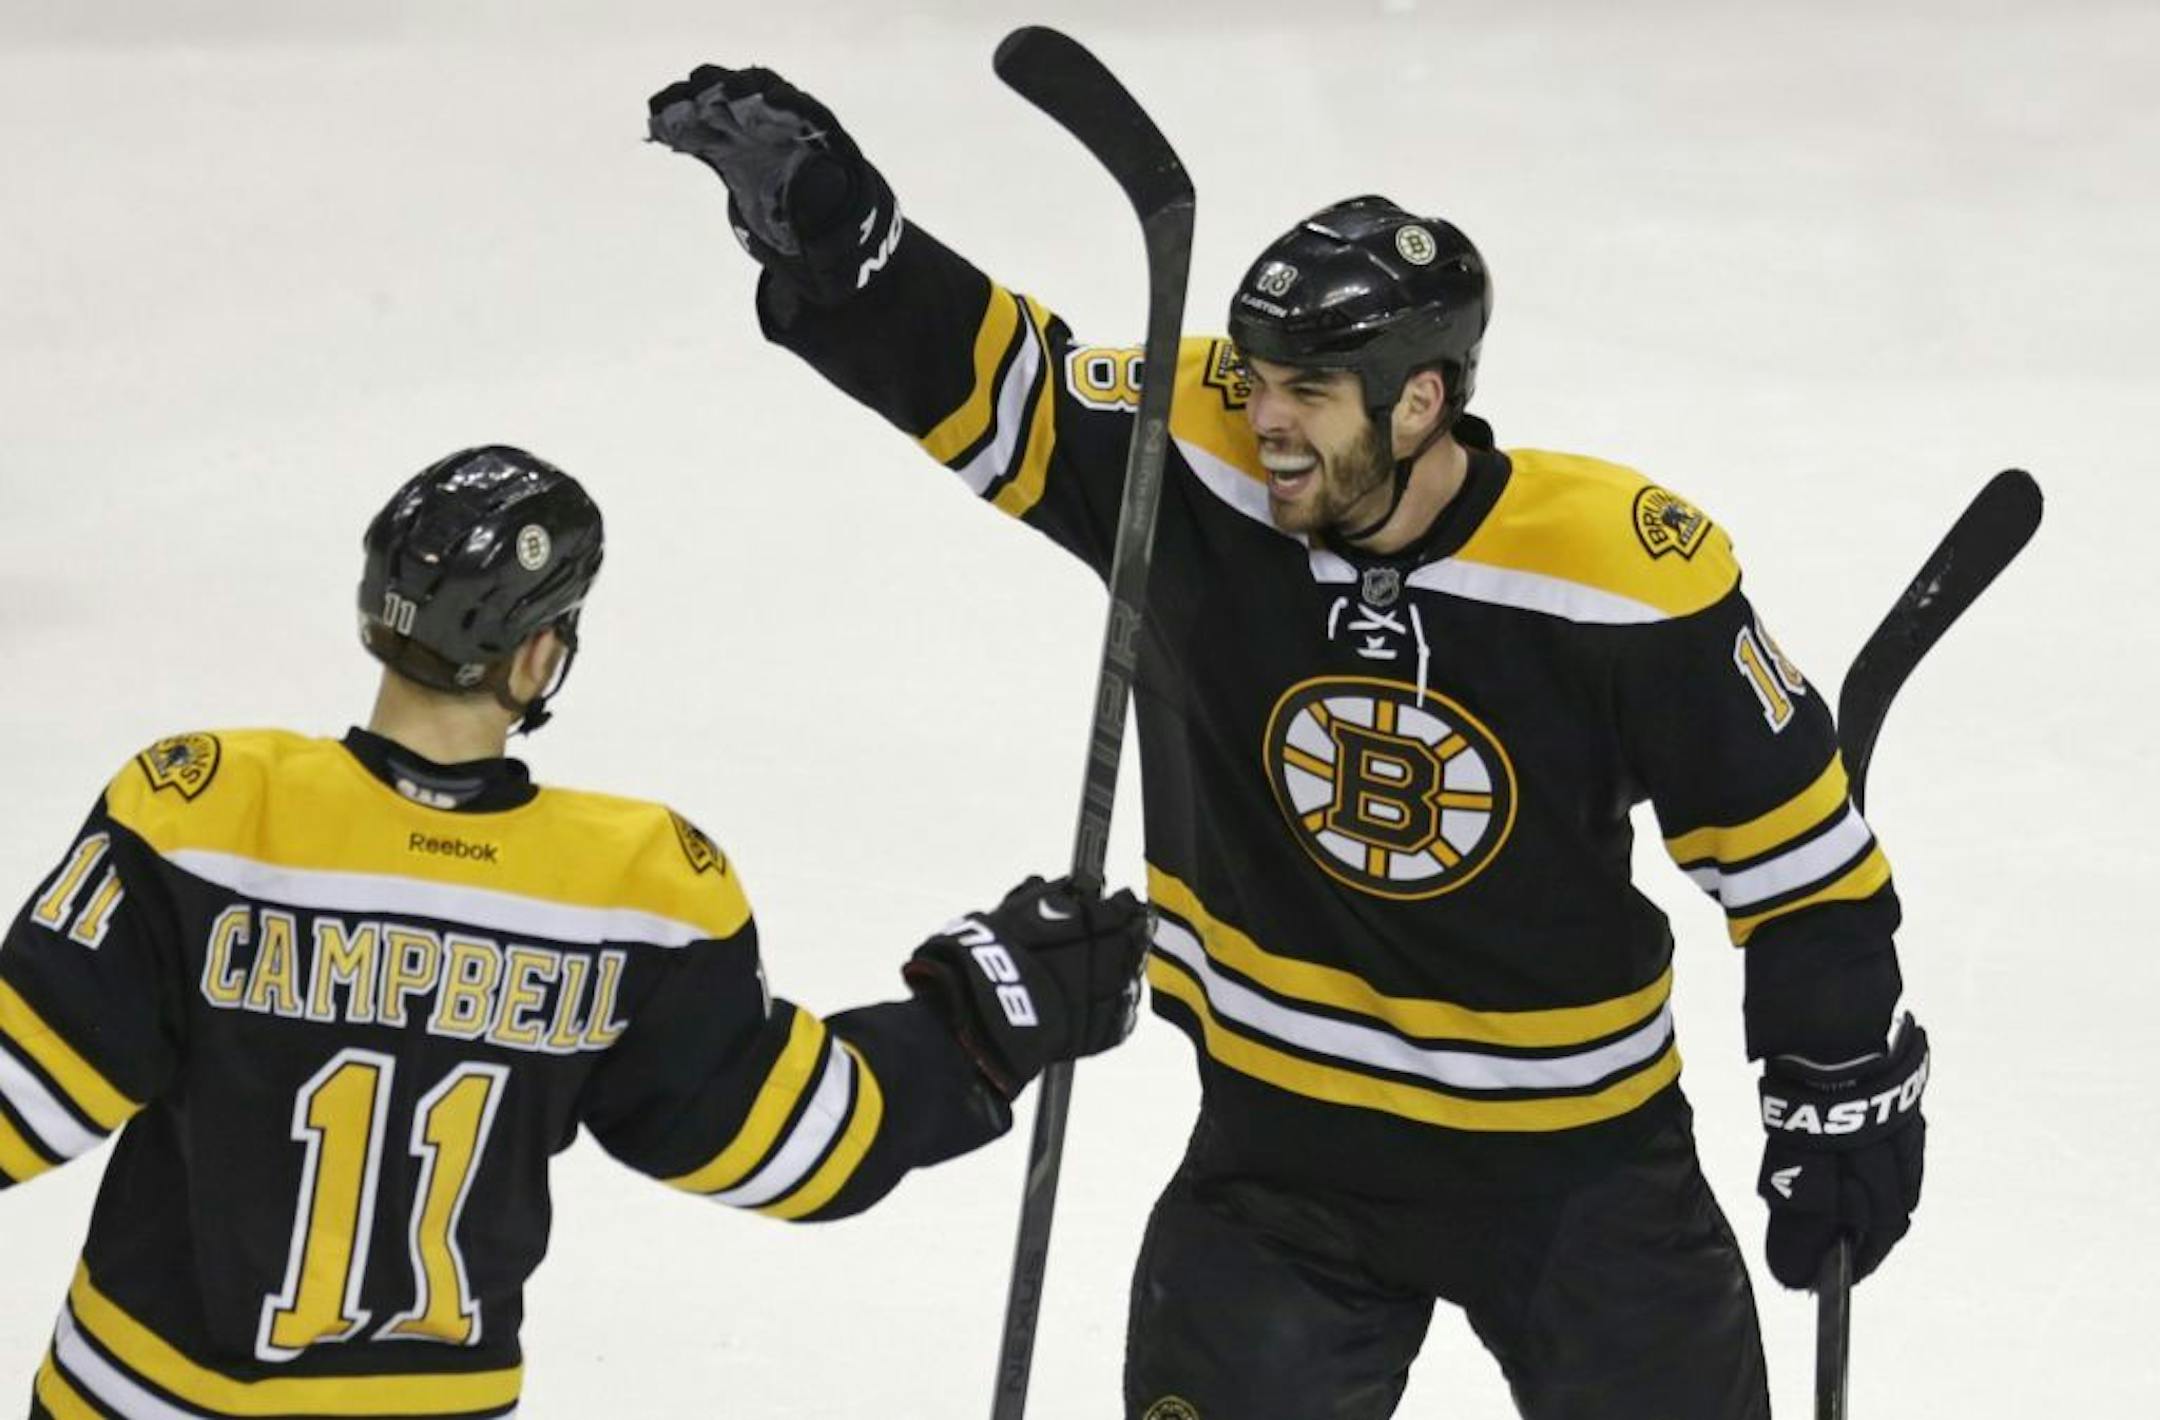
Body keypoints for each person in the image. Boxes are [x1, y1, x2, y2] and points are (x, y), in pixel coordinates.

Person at [646, 66, 1932, 1420]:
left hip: (1579, 1167)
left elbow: (1802, 869)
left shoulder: (1618, 572)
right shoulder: (1188, 457)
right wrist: (842, 248)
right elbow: (997, 382)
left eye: (1310, 389)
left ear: (1423, 399)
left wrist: (1836, 1077)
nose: (1264, 417)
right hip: (1281, 1156)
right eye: (1255, 378)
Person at [0, 444, 1150, 1420]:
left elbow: (18, 1096)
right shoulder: (629, 890)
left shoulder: (206, 813)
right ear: (541, 653)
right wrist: (993, 1016)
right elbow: (795, 1143)